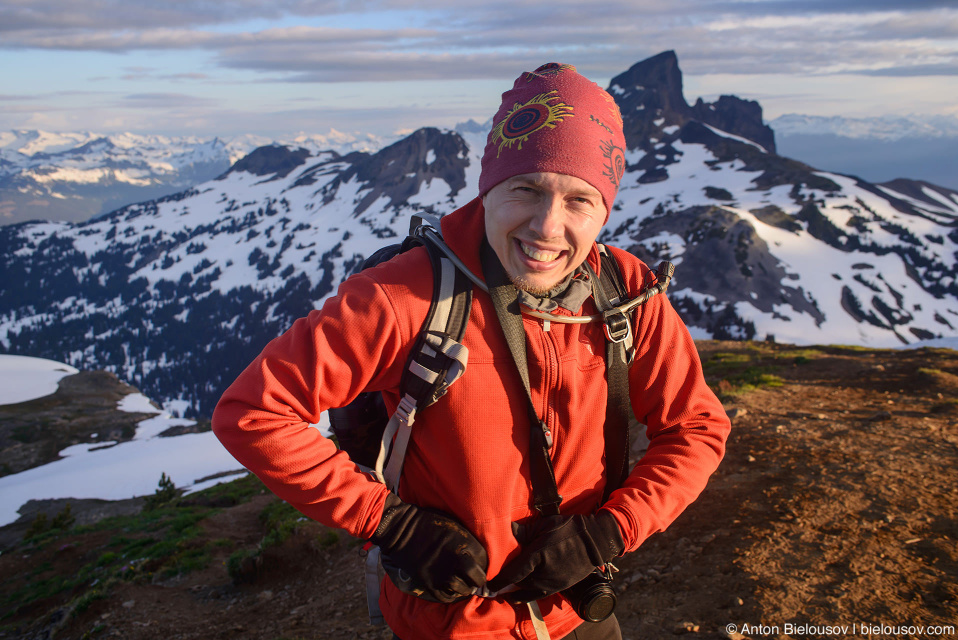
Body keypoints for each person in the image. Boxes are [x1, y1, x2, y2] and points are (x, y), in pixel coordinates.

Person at [212, 62, 731, 640]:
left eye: (579, 200)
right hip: (446, 624)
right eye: (526, 189)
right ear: (489, 188)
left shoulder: (625, 294)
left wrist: (609, 533)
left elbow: (697, 428)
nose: (547, 227)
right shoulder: (401, 297)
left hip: (576, 612)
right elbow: (253, 412)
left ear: (604, 209)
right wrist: (390, 524)